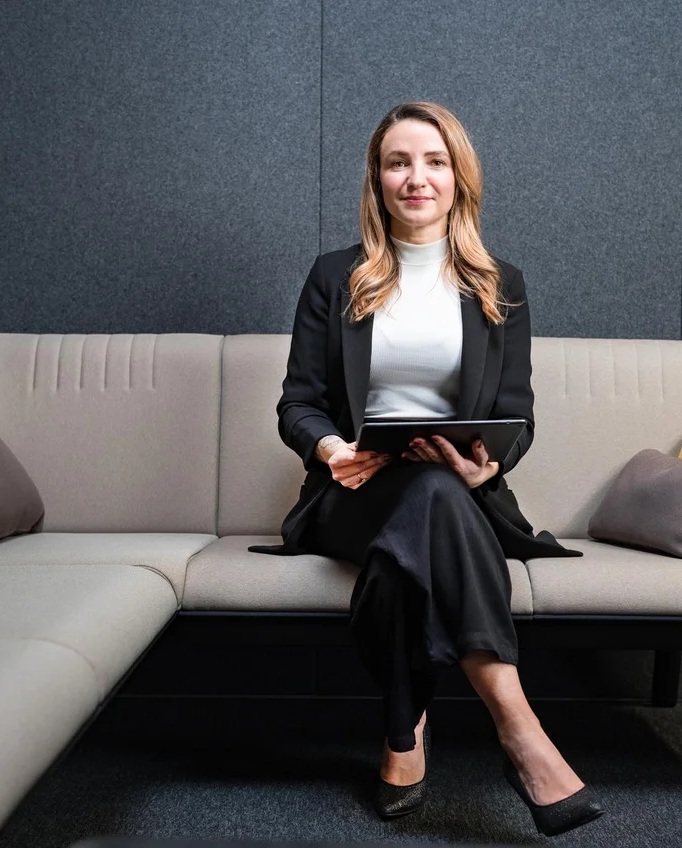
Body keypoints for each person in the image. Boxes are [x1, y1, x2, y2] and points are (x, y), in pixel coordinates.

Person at [248, 101, 603, 837]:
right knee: (427, 503)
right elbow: (299, 404)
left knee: (430, 507)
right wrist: (332, 450)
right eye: (398, 162)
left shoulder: (500, 283)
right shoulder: (333, 277)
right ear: (377, 181)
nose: (417, 178)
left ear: (459, 177)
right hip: (353, 491)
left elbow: (517, 413)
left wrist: (486, 466)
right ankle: (520, 729)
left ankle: (402, 734)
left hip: (453, 491)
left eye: (434, 162)